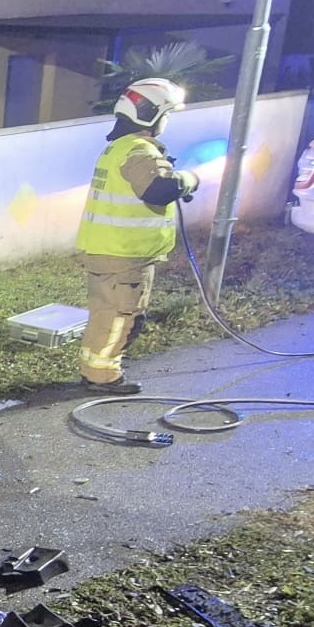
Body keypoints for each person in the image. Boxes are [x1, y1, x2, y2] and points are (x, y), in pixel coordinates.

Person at [72, 77, 201, 395]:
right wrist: (188, 180)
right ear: (151, 114)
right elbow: (157, 190)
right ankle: (103, 376)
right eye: (165, 114)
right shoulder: (140, 151)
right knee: (122, 317)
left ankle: (92, 369)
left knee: (104, 313)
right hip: (126, 255)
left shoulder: (116, 149)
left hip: (105, 250)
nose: (166, 121)